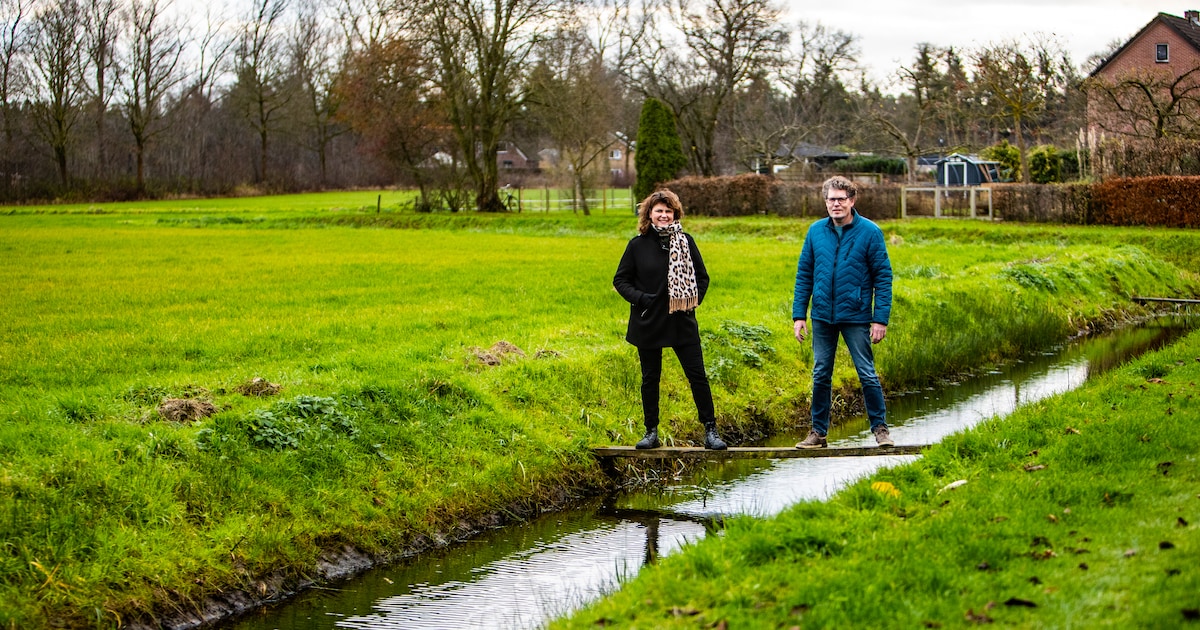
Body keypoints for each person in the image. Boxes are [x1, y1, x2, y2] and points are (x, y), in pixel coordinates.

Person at [614, 189, 727, 450]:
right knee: (650, 378)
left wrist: (691, 301)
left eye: (668, 211)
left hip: (681, 321)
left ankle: (711, 431)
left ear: (675, 213)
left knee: (697, 375)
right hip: (648, 321)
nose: (664, 215)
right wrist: (643, 299)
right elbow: (620, 280)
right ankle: (650, 432)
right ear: (649, 215)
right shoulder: (637, 245)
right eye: (659, 211)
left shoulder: (686, 241)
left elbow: (702, 277)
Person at [792, 176, 894, 449]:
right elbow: (804, 274)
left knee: (866, 373)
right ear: (825, 202)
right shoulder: (815, 232)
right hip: (823, 316)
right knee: (821, 373)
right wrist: (799, 315)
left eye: (841, 199)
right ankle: (818, 433)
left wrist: (879, 319)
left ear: (851, 201)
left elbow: (883, 277)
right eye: (831, 199)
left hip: (857, 315)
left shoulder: (870, 232)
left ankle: (880, 429)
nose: (835, 204)